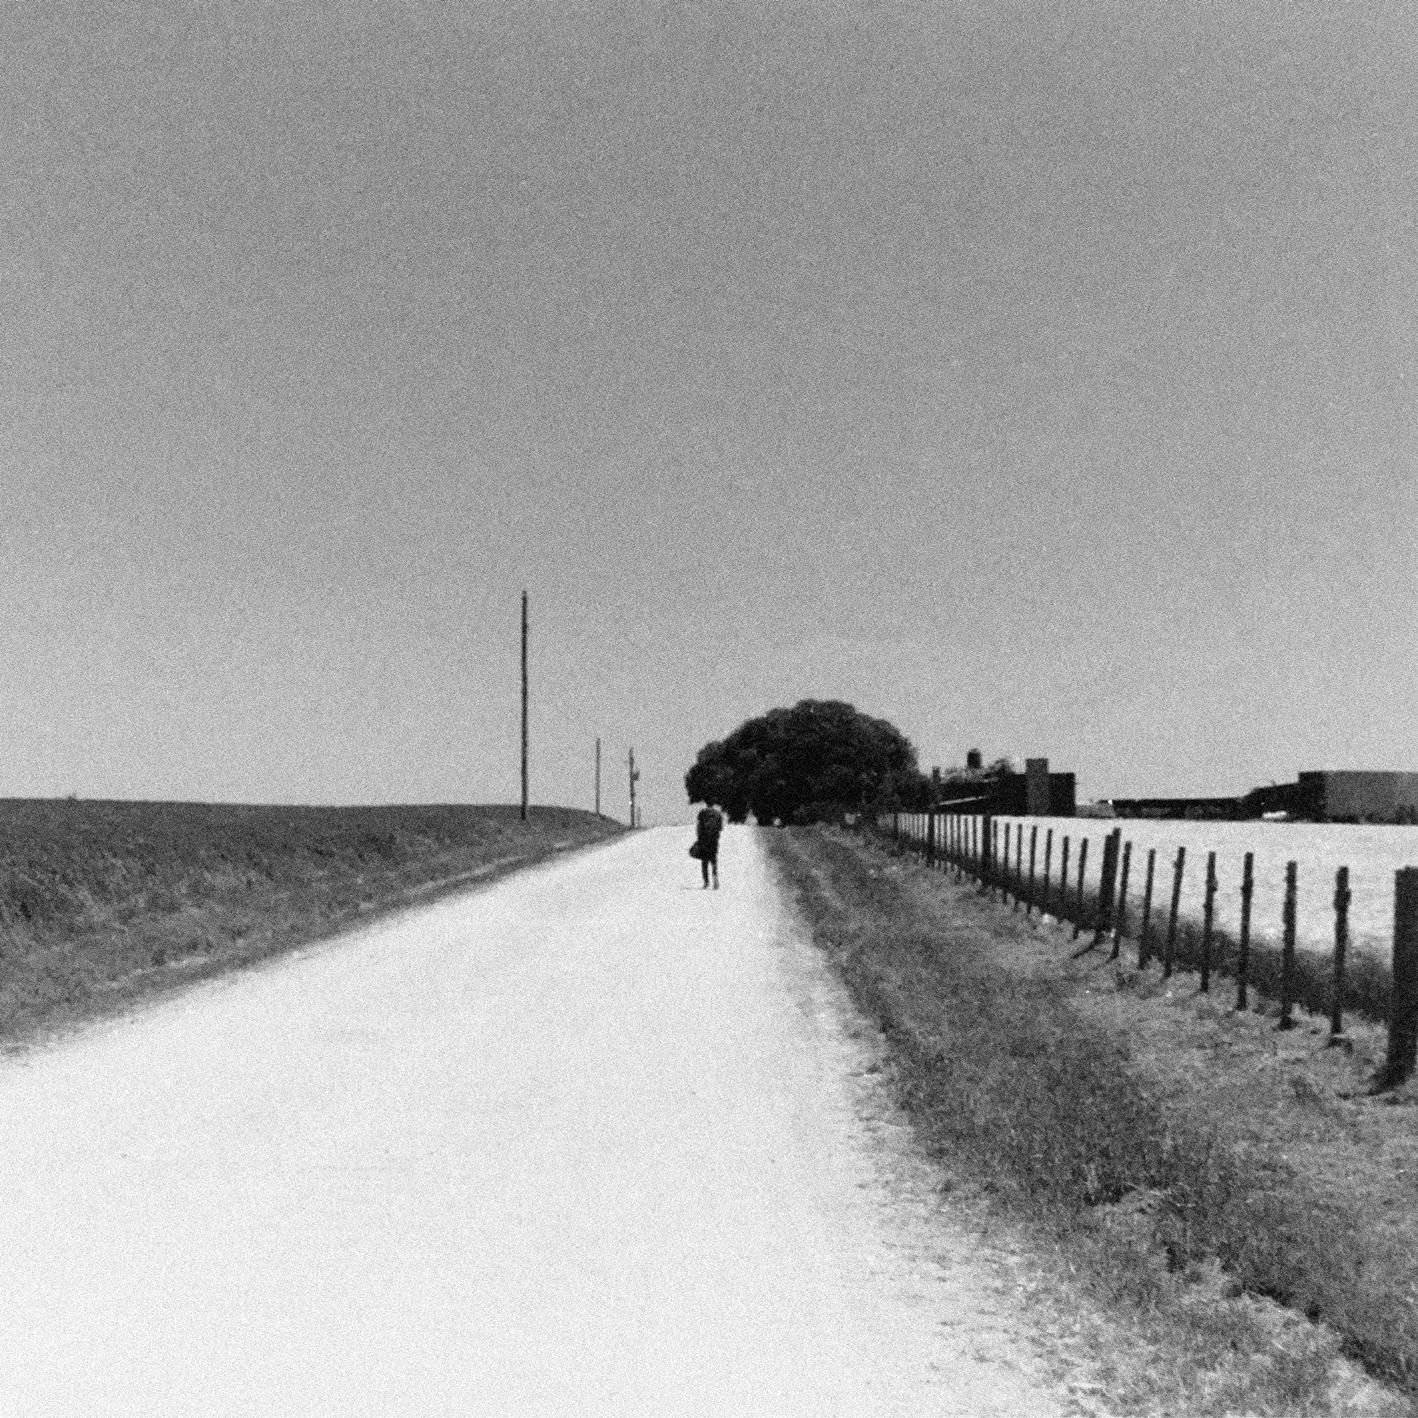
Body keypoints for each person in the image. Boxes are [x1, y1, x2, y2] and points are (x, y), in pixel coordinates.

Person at [694, 803, 723, 889]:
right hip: (714, 841)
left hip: (704, 840)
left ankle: (706, 882)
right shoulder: (717, 814)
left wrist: (699, 838)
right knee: (713, 860)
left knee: (704, 862)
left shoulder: (702, 813)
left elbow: (699, 827)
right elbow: (720, 828)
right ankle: (715, 877)